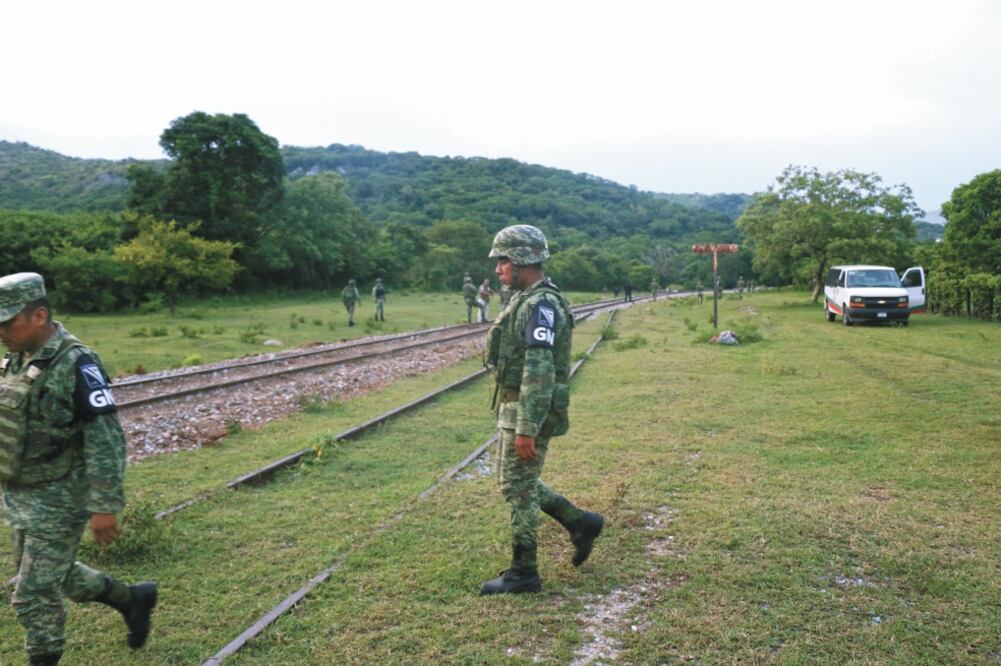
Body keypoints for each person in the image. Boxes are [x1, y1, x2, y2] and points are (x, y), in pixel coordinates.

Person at [0, 273, 157, 665]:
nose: (0, 331)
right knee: (58, 574)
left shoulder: (77, 362)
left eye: (7, 322)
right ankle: (133, 599)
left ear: (38, 315)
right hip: (22, 495)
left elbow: (105, 437)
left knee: (32, 595)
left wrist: (104, 504)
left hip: (60, 496)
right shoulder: (18, 358)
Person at [481, 226, 604, 595]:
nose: (498, 268)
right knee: (513, 481)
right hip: (515, 404)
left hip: (528, 409)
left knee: (518, 489)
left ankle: (524, 573)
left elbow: (539, 368)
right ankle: (580, 521)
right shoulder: (524, 298)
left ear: (521, 261)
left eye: (503, 260)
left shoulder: (541, 304)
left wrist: (527, 428)